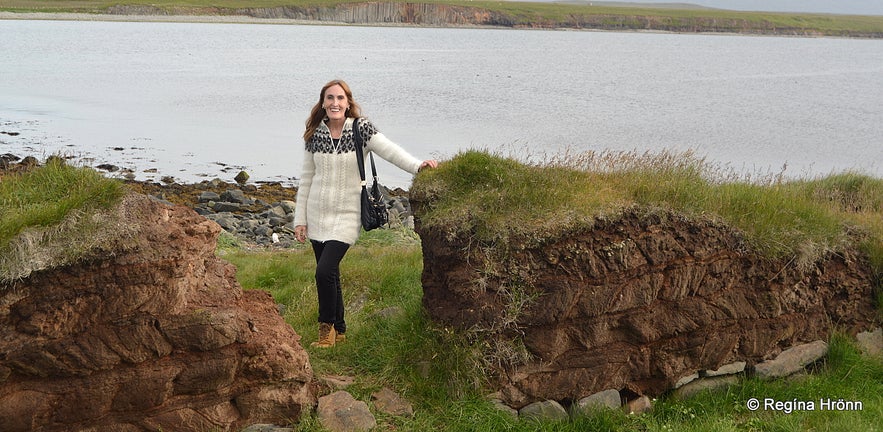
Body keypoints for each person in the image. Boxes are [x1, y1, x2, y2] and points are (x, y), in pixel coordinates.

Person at [292, 79, 438, 348]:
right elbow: (306, 178)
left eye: (340, 98)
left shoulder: (361, 130)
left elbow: (390, 151)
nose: (335, 103)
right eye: (330, 98)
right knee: (330, 273)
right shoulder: (315, 135)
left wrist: (418, 166)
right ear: (323, 103)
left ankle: (325, 330)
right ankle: (341, 329)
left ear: (348, 103)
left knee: (323, 272)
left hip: (347, 215)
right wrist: (300, 220)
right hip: (316, 214)